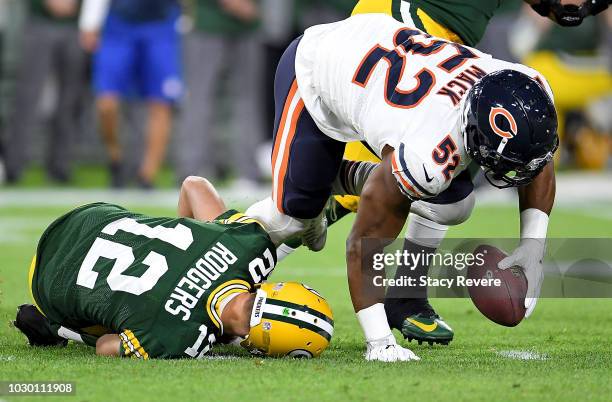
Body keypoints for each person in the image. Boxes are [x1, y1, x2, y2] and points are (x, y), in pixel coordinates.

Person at [278, 0, 610, 348]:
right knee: (325, 200)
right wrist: (379, 343)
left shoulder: (530, 83)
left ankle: (407, 291)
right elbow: (364, 240)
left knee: (452, 197)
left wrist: (533, 245)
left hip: (439, 40)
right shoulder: (430, 146)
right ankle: (235, 273)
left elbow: (537, 154)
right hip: (387, 31)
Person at [14, 176, 334, 359]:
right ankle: (53, 328)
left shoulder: (249, 247)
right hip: (49, 281)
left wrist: (189, 247)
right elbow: (105, 348)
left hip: (89, 217)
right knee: (118, 328)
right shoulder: (180, 339)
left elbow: (193, 186)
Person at [79, 0, 183, 188]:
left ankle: (147, 175)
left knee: (161, 103)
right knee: (106, 103)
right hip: (119, 22)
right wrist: (89, 22)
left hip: (161, 22)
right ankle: (116, 159)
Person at [176, 0, 264, 186]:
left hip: (248, 23)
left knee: (246, 101)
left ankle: (248, 172)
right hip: (207, 23)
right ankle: (192, 170)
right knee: (199, 99)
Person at [3, 0, 86, 184]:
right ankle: (13, 165)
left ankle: (61, 166)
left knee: (70, 100)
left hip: (75, 26)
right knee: (27, 97)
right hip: (39, 23)